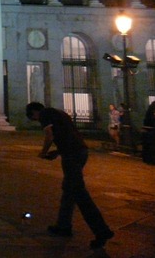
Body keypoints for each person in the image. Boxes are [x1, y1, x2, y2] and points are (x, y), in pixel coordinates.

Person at [26, 102, 114, 250]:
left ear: (35, 112)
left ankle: (102, 230)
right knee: (69, 190)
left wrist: (43, 152)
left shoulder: (45, 114)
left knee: (79, 194)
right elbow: (67, 135)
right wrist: (57, 152)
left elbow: (49, 135)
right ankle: (63, 225)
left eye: (33, 118)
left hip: (71, 156)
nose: (36, 120)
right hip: (79, 152)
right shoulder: (60, 113)